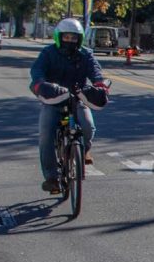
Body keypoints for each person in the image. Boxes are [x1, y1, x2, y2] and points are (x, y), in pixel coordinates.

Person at [30, 18, 110, 194]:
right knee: (45, 135)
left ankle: (84, 150)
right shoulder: (48, 53)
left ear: (79, 39)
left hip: (78, 98)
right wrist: (41, 84)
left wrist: (99, 85)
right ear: (59, 37)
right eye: (66, 37)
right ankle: (51, 177)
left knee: (89, 126)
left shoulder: (86, 54)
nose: (70, 40)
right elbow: (37, 71)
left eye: (74, 38)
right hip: (53, 100)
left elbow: (96, 72)